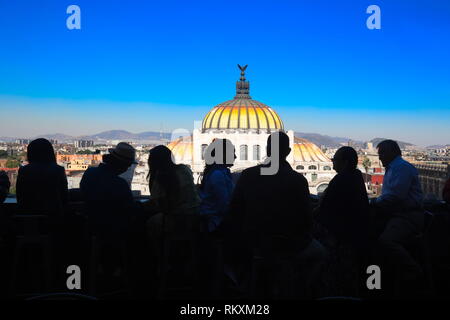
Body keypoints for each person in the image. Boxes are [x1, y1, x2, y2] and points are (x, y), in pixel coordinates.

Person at [224, 131, 327, 298]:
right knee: (320, 253)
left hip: (253, 243)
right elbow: (306, 219)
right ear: (287, 151)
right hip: (287, 246)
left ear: (267, 149)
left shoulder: (248, 175)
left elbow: (235, 210)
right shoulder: (297, 180)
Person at [314, 146, 370, 296]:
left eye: (335, 160)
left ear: (344, 163)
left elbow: (325, 210)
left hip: (339, 239)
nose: (333, 162)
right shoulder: (356, 177)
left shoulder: (341, 180)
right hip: (352, 237)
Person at [370, 139, 424, 294]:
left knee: (386, 241)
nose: (380, 158)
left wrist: (374, 202)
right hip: (398, 215)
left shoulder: (401, 168)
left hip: (408, 217)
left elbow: (395, 196)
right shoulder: (394, 167)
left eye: (382, 154)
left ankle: (413, 271)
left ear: (393, 152)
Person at [80, 142, 139, 241]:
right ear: (121, 164)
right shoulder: (120, 184)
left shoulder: (89, 173)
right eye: (128, 165)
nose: (128, 168)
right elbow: (130, 209)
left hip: (90, 227)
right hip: (113, 233)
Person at [16, 138, 68, 217]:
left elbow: (19, 195)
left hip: (28, 216)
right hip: (54, 216)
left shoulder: (24, 170)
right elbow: (64, 195)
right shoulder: (58, 170)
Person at [199, 139, 236, 232]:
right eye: (232, 153)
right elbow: (223, 204)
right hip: (217, 224)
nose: (235, 156)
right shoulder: (218, 175)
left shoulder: (220, 172)